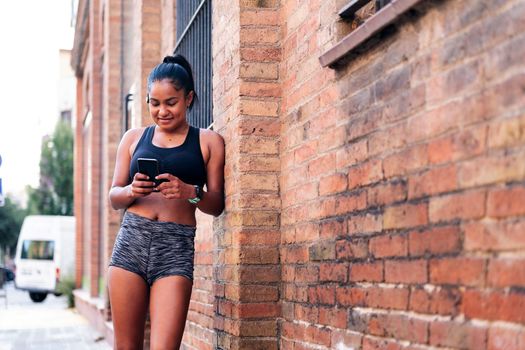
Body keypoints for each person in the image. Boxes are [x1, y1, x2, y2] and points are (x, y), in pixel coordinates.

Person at [107, 54, 225, 349]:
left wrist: (191, 193)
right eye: (154, 103)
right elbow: (114, 197)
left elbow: (217, 203)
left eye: (170, 102)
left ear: (189, 99)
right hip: (131, 243)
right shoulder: (133, 138)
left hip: (175, 248)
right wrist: (133, 190)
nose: (162, 111)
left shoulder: (209, 141)